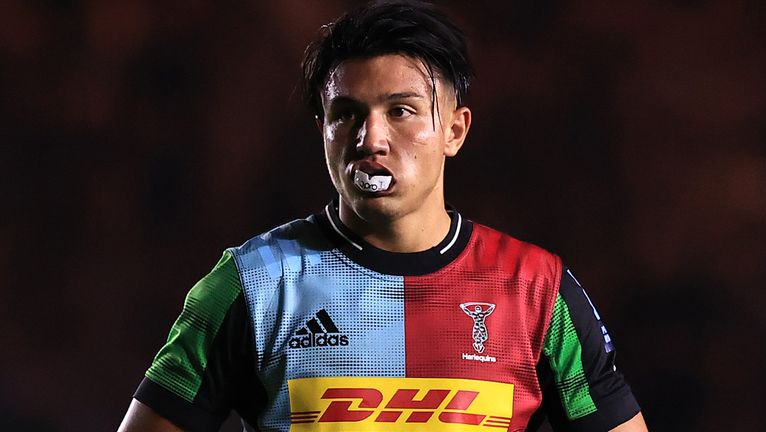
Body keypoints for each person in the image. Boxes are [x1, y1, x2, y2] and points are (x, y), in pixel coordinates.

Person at [118, 1, 648, 431]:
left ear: (455, 131)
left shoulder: (535, 290)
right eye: (346, 113)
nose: (370, 138)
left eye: (401, 110)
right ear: (322, 129)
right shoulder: (252, 284)